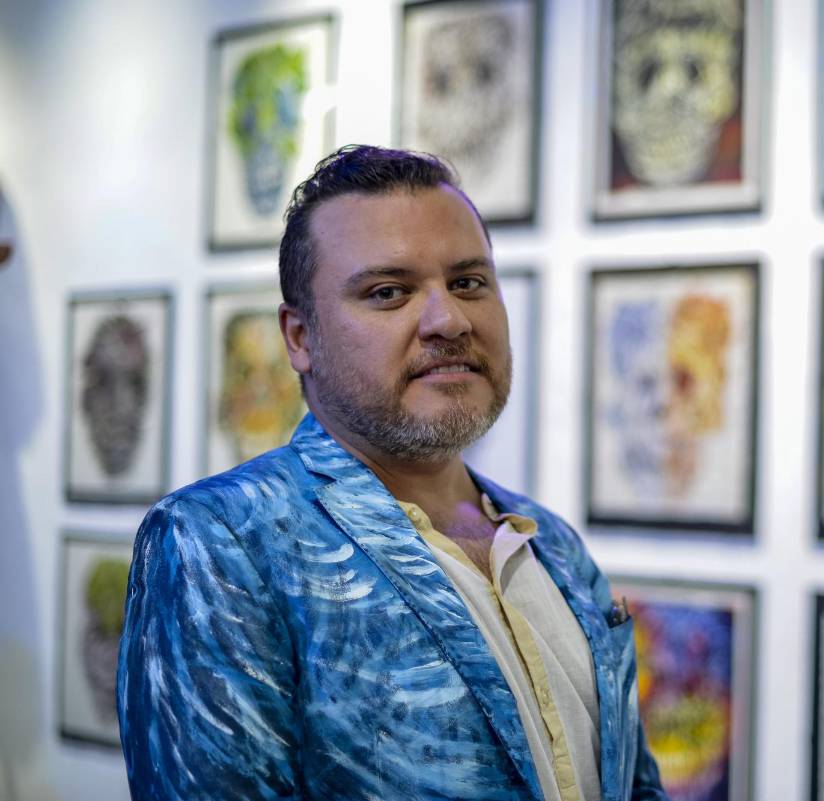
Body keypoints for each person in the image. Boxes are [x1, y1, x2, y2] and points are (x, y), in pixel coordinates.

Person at [117, 145, 666, 801]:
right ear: (300, 337)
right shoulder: (221, 542)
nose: (449, 320)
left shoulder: (551, 544)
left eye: (468, 283)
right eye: (388, 292)